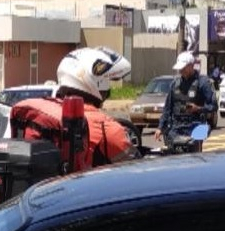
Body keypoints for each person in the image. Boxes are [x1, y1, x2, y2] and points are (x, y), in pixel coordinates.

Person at [10, 46, 140, 168]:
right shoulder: (105, 126)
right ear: (96, 84)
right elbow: (135, 167)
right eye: (106, 81)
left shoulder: (43, 112)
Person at [155, 51, 216, 153]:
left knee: (194, 156)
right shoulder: (175, 84)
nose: (181, 70)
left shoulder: (203, 83)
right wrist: (160, 128)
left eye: (183, 67)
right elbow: (167, 108)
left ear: (191, 66)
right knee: (173, 155)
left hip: (196, 126)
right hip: (176, 127)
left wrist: (198, 108)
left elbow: (213, 106)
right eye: (180, 68)